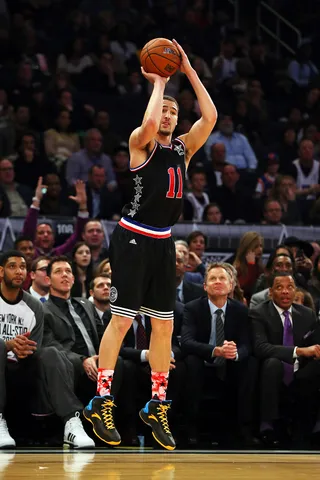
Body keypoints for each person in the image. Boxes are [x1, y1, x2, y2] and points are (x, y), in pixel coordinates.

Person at [83, 38, 217, 451]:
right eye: (164, 111)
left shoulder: (183, 149)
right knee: (122, 321)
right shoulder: (140, 143)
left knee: (164, 326)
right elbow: (145, 123)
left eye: (175, 112)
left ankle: (157, 405)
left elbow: (209, 116)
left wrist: (189, 72)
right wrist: (158, 84)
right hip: (132, 238)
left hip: (162, 243)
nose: (169, 116)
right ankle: (100, 400)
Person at [0, 251, 94, 449]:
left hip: (22, 368)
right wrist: (8, 345)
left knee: (50, 352)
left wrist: (23, 350)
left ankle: (71, 421)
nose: (19, 271)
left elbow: (35, 347)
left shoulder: (34, 306)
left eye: (23, 267)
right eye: (12, 266)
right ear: (1, 271)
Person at [181, 263, 258, 446]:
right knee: (191, 361)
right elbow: (186, 341)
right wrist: (215, 350)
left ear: (231, 286)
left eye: (222, 278)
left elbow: (248, 344)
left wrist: (235, 353)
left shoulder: (240, 310)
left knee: (250, 362)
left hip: (230, 363)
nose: (217, 282)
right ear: (205, 286)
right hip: (203, 360)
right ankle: (190, 429)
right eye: (212, 279)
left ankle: (243, 430)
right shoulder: (192, 308)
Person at [250, 272, 320, 447]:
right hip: (271, 372)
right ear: (270, 292)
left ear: (295, 290)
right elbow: (260, 347)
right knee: (272, 364)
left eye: (290, 287)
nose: (285, 292)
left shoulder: (307, 315)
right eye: (279, 288)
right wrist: (299, 351)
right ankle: (268, 427)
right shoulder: (258, 313)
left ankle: (313, 429)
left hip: (300, 372)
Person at [42, 256, 123, 407]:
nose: (65, 275)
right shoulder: (43, 310)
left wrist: (104, 354)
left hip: (97, 359)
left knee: (117, 361)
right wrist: (83, 359)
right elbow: (51, 344)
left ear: (73, 279)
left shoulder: (86, 304)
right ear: (48, 280)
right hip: (71, 363)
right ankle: (94, 412)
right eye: (58, 272)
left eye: (68, 271)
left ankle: (103, 409)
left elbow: (102, 334)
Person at [23, 177, 89, 258]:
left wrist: (83, 205)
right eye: (41, 233)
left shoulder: (59, 253)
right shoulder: (31, 253)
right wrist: (36, 199)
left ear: (54, 239)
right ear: (35, 238)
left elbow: (78, 236)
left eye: (49, 233)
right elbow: (28, 230)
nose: (46, 235)